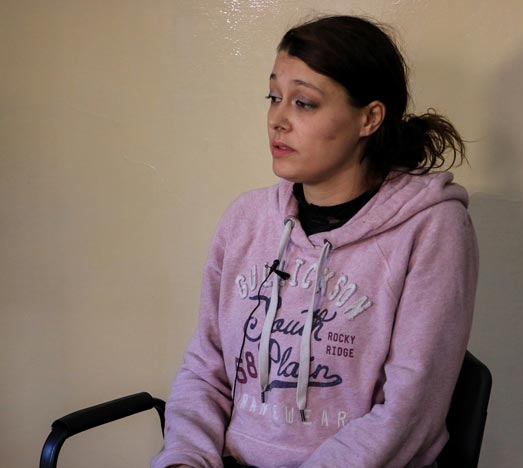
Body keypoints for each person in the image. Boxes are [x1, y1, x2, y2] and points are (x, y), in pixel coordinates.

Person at [151, 15, 478, 468]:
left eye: (304, 103)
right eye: (274, 97)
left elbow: (408, 413)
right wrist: (185, 458)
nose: (277, 120)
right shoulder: (246, 220)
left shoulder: (432, 228)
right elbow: (206, 369)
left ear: (369, 118)